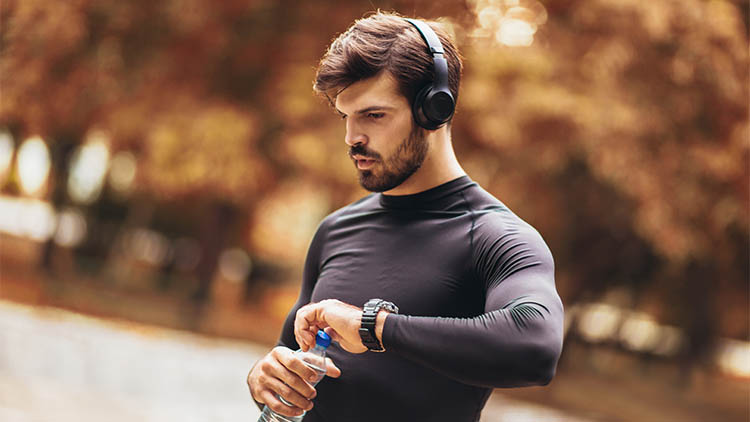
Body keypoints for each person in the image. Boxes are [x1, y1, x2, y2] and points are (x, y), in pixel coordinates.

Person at [247, 11, 564, 422]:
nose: (352, 138)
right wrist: (264, 379)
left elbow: (535, 346)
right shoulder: (336, 230)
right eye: (346, 116)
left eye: (374, 115)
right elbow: (292, 375)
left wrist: (373, 328)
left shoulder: (494, 238)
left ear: (434, 109)